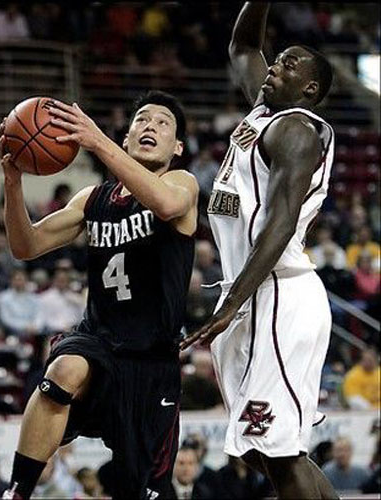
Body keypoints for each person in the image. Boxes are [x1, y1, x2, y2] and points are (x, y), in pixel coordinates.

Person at [0, 89, 198, 500]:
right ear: (127, 137)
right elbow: (26, 246)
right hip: (99, 341)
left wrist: (97, 141)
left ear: (177, 147)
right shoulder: (93, 199)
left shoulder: (181, 183)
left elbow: (165, 205)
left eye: (163, 123)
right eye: (142, 119)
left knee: (145, 490)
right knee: (63, 370)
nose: (151, 126)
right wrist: (13, 182)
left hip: (151, 359)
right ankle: (16, 491)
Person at [180, 2, 339, 499]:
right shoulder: (263, 114)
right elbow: (244, 45)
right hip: (252, 291)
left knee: (277, 451)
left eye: (289, 64)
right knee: (260, 449)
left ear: (309, 89)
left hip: (277, 293)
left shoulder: (296, 130)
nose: (275, 67)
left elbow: (280, 222)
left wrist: (231, 304)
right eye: (278, 60)